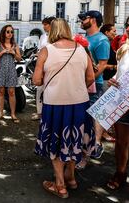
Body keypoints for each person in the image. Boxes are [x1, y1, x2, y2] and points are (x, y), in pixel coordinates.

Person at [33, 18, 95, 199]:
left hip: (55, 104)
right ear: (68, 30)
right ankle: (71, 177)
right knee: (74, 140)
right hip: (80, 102)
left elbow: (37, 80)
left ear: (52, 31)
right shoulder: (81, 49)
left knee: (56, 141)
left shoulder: (46, 51)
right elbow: (90, 78)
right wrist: (75, 86)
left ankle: (60, 185)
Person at [78, 10, 110, 160]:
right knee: (84, 120)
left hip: (93, 85)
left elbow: (102, 65)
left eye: (84, 18)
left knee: (91, 119)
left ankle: (93, 148)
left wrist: (88, 81)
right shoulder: (86, 37)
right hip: (83, 84)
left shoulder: (102, 40)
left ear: (94, 20)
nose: (82, 21)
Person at [106, 26, 129, 190]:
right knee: (121, 142)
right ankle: (120, 172)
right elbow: (120, 74)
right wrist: (113, 80)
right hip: (122, 101)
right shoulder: (124, 50)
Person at [0, 25, 22, 122]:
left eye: (11, 32)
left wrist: (13, 53)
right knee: (1, 91)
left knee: (11, 92)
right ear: (4, 33)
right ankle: (1, 113)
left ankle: (13, 114)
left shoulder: (15, 45)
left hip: (11, 70)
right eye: (8, 32)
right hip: (1, 69)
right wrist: (3, 52)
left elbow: (19, 59)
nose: (10, 34)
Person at [32, 16, 55, 121]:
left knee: (52, 89)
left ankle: (50, 112)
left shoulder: (56, 37)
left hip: (52, 66)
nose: (44, 26)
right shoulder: (42, 36)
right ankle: (39, 112)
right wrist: (36, 54)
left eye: (45, 24)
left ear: (51, 25)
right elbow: (41, 50)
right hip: (42, 66)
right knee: (40, 89)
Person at [100, 24, 117, 142]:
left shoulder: (107, 43)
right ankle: (103, 132)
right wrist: (114, 66)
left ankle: (105, 130)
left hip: (108, 79)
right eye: (113, 31)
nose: (115, 33)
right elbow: (101, 64)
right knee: (106, 107)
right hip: (105, 79)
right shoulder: (104, 43)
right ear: (106, 32)